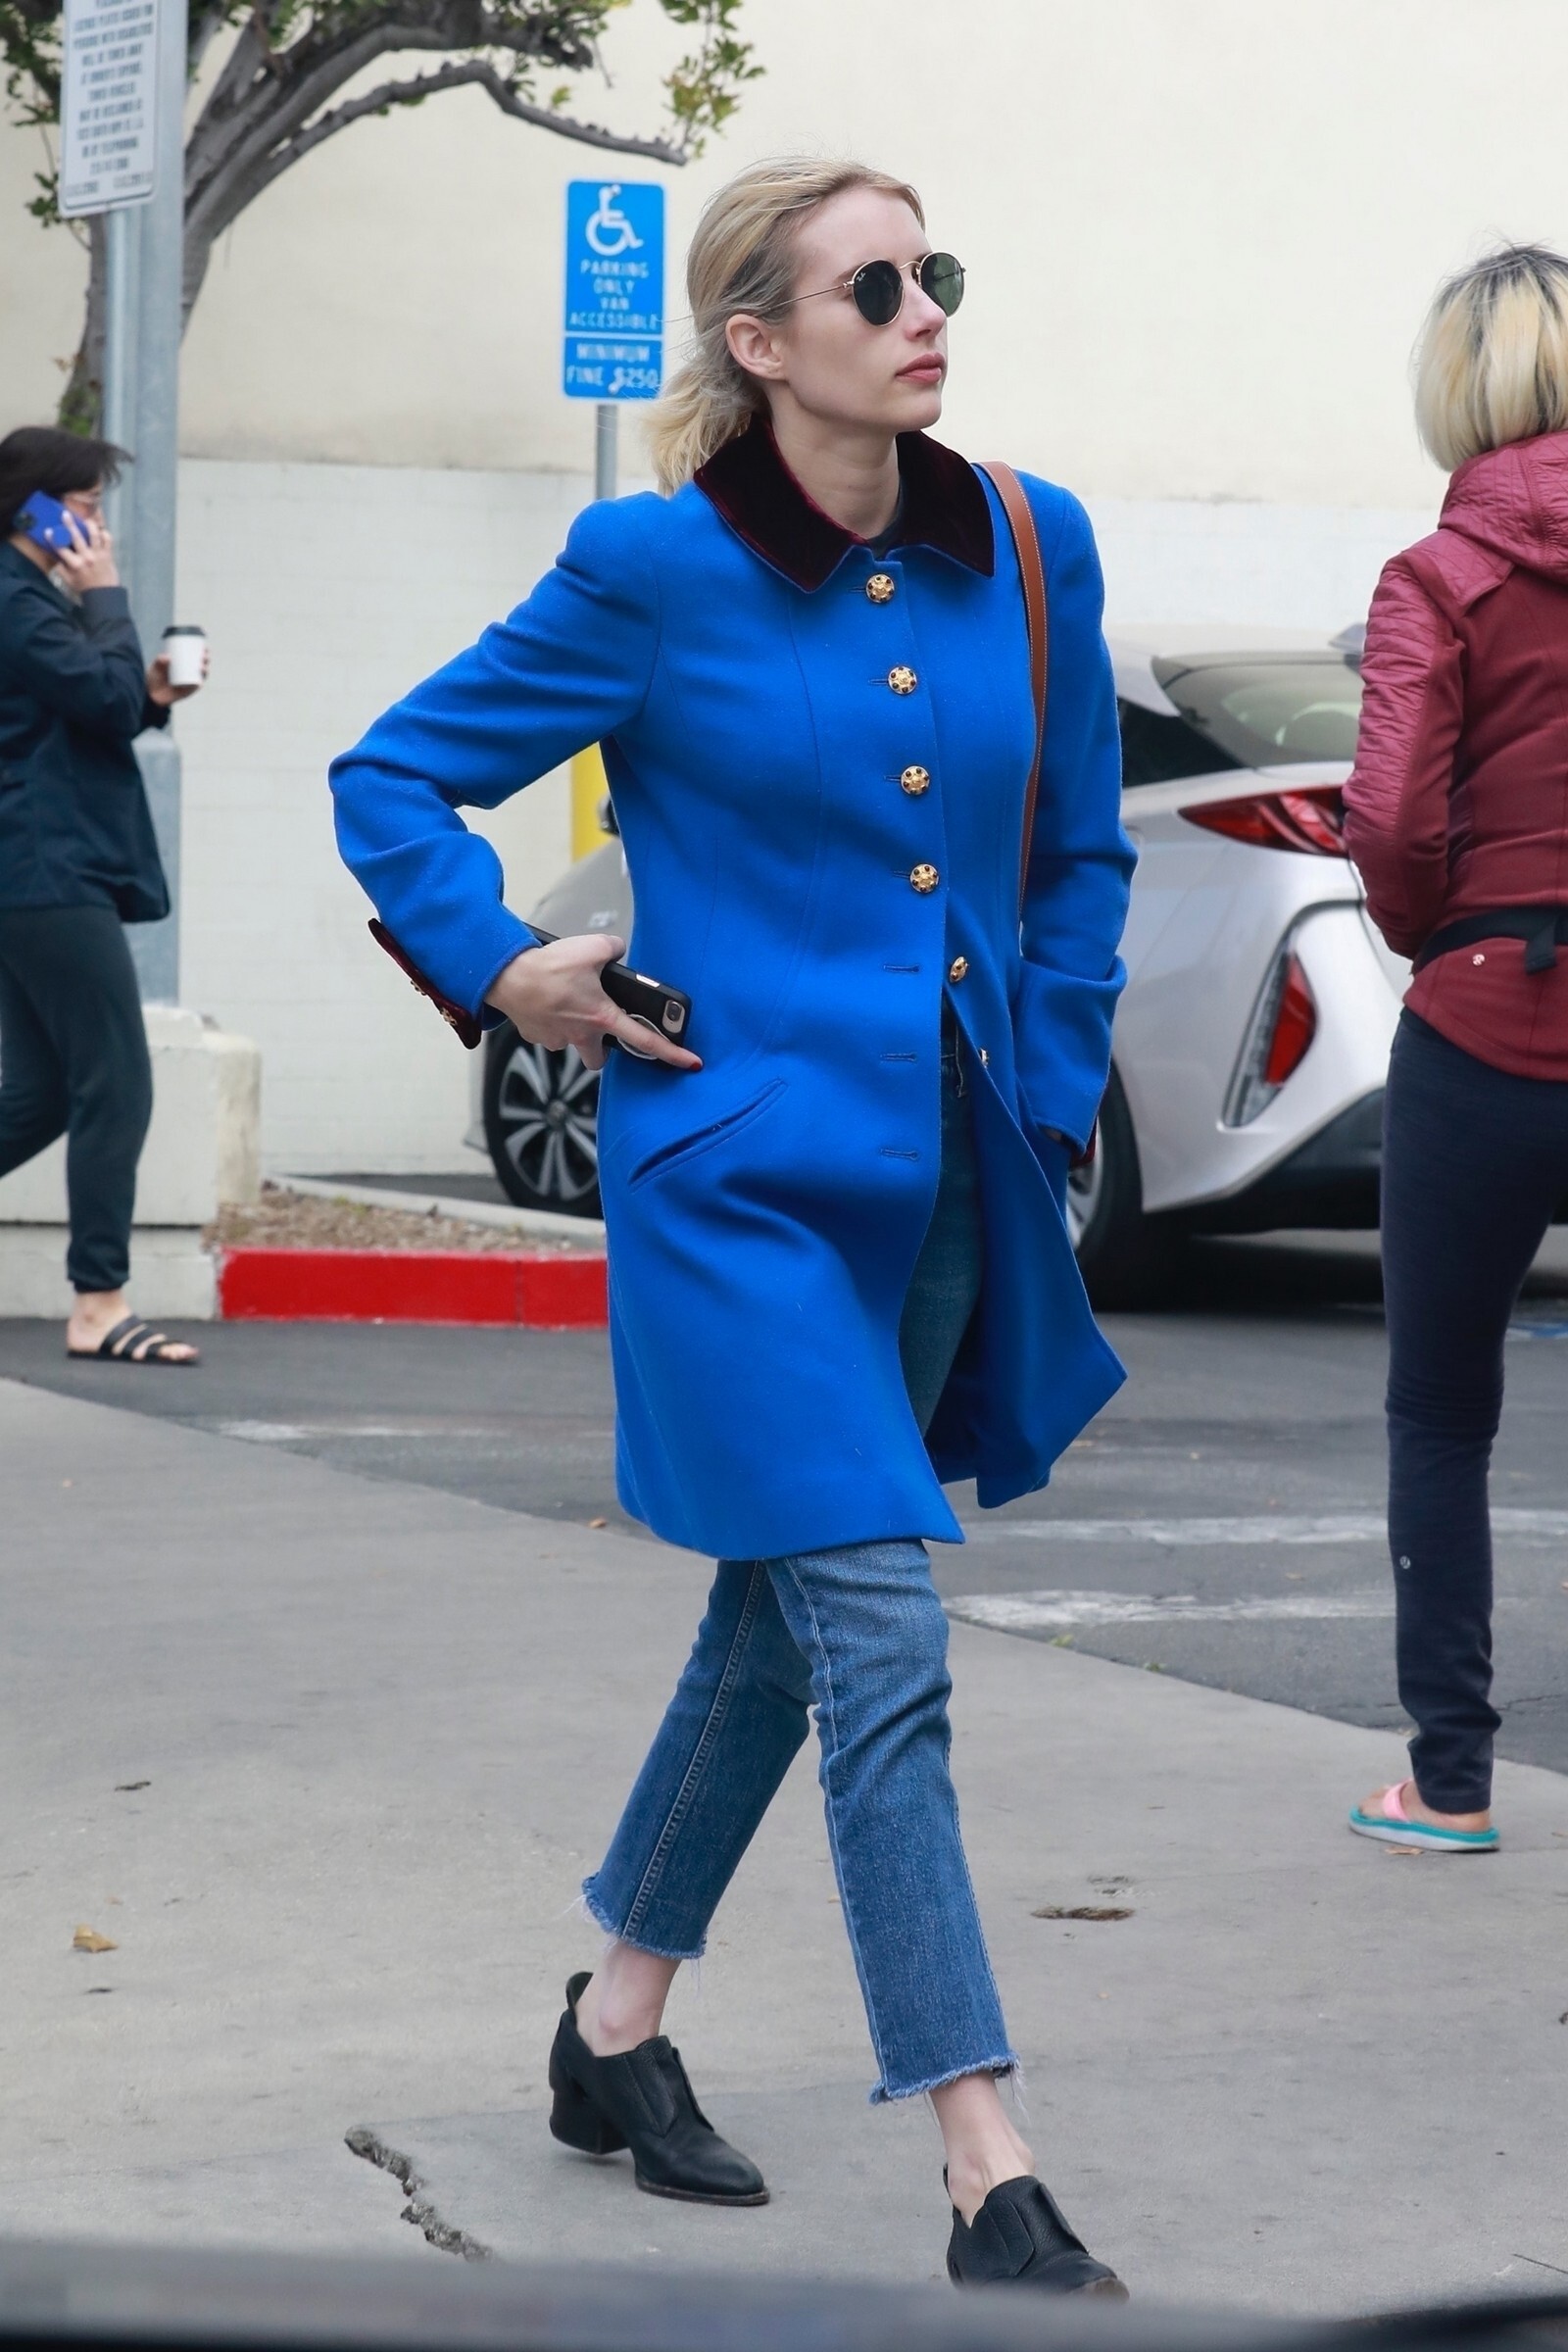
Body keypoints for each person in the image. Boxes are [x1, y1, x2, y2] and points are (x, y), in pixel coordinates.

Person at [331, 158, 1135, 2290]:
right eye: (873, 286)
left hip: (947, 1181)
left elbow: (1074, 860)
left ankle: (612, 2031)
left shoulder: (1028, 545)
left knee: (778, 1623)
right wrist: (506, 963)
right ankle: (984, 2160)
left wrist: (1051, 1101)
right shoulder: (650, 567)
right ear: (761, 344)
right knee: (878, 1636)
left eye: (932, 271)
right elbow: (389, 780)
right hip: (735, 1193)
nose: (923, 309)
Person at [1344, 245, 1568, 1856]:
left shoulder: (1437, 578)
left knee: (1442, 1414)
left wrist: (1441, 937)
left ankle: (1452, 1780)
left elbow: (1391, 821)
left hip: (1484, 1020)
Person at [0, 425, 206, 1366]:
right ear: (35, 510)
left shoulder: (26, 601)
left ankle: (97, 1296)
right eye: (84, 508)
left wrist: (149, 693)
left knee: (43, 1093)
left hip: (32, 871)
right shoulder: (19, 600)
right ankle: (99, 1302)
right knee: (116, 1081)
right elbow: (105, 701)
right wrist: (108, 596)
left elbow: (94, 707)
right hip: (46, 870)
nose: (97, 528)